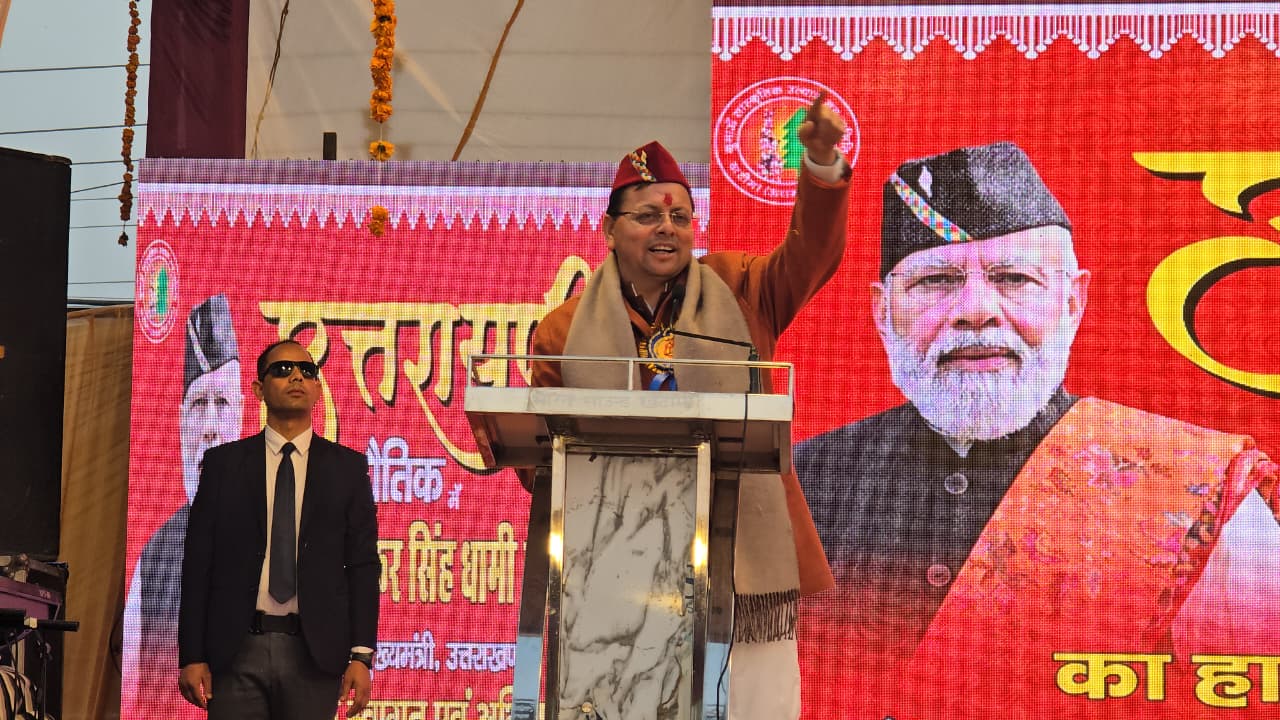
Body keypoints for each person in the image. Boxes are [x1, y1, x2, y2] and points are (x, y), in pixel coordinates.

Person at [793, 141, 1280, 718]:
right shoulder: (797, 482)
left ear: (1073, 301)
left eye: (1015, 278)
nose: (975, 311)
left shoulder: (1198, 488)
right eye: (936, 281)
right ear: (882, 311)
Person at [528, 94, 850, 720]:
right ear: (609, 229)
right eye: (648, 215)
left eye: (679, 215)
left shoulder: (739, 287)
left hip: (740, 560)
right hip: (616, 570)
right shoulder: (564, 330)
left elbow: (810, 255)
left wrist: (820, 166)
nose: (667, 228)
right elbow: (541, 460)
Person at [178, 339, 380, 719]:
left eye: (307, 371)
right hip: (236, 649)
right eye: (283, 370)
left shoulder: (347, 470)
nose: (296, 377)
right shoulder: (223, 466)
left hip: (315, 652)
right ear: (258, 389)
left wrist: (361, 655)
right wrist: (191, 654)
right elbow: (198, 564)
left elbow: (363, 567)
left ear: (317, 389)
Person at [124, 293, 244, 716]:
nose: (209, 427)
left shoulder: (273, 528)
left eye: (222, 403)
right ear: (180, 422)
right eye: (198, 404)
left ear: (242, 417)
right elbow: (132, 694)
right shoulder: (151, 561)